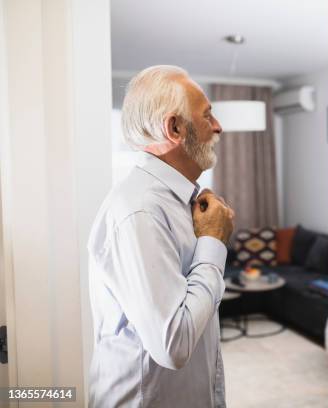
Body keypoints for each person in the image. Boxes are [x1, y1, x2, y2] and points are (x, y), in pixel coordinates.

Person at [87, 65, 234, 407]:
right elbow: (174, 344)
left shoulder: (180, 202)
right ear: (175, 128)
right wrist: (213, 243)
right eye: (207, 115)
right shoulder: (139, 211)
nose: (218, 127)